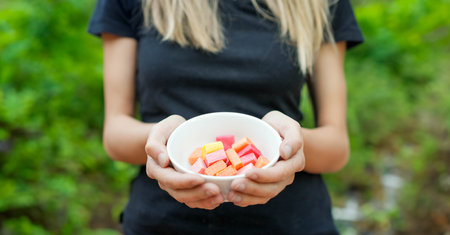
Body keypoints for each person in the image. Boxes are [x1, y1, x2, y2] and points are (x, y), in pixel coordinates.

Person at [88, 0, 363, 234]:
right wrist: (164, 143)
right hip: (161, 223)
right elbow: (115, 133)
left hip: (294, 223)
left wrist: (288, 144)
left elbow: (336, 146)